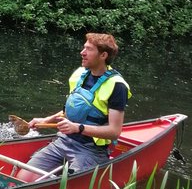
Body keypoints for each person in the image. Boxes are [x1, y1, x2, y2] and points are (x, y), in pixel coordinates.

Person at [21, 33, 131, 179]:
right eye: (84, 48)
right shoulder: (79, 74)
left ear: (103, 55)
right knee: (23, 178)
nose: (82, 52)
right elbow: (71, 111)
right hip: (64, 141)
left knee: (65, 186)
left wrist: (78, 128)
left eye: (89, 49)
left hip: (91, 150)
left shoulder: (117, 86)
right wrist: (45, 120)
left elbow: (114, 131)